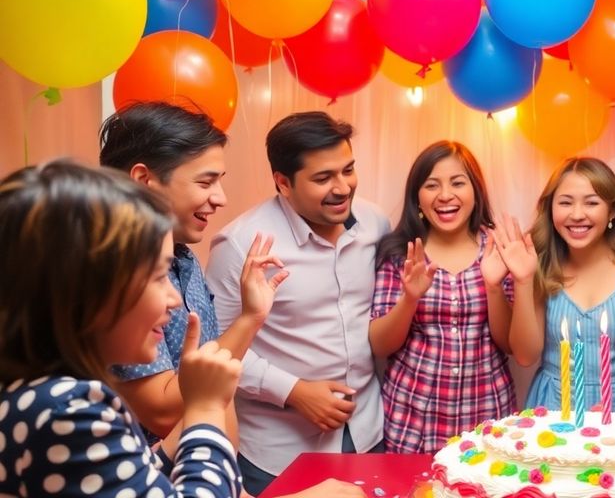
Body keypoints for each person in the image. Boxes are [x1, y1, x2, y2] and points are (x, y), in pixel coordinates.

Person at [0, 160, 242, 496]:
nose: (174, 299)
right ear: (87, 290)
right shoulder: (68, 410)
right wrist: (204, 408)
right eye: (159, 276)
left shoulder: (43, 395)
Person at [206, 112, 389, 495]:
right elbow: (220, 347)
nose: (342, 188)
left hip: (368, 432)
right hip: (279, 449)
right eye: (323, 178)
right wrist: (293, 391)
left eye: (348, 170)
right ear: (283, 183)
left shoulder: (375, 223)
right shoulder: (240, 244)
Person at [99, 102, 287, 453]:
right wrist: (249, 320)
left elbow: (217, 394)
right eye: (206, 182)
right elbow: (163, 410)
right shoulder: (113, 269)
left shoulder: (185, 259)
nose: (220, 198)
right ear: (144, 180)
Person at [499, 157, 615, 416]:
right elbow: (525, 357)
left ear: (612, 210)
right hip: (557, 407)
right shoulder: (539, 263)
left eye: (591, 202)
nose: (577, 214)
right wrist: (523, 281)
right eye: (565, 202)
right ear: (550, 210)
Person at [370, 141, 515, 453]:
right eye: (432, 185)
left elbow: (509, 345)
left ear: (476, 192)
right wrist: (409, 299)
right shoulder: (398, 253)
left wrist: (493, 288)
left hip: (487, 417)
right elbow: (380, 346)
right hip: (412, 420)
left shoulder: (499, 249)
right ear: (417, 199)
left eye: (458, 183)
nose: (445, 195)